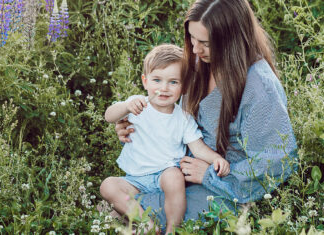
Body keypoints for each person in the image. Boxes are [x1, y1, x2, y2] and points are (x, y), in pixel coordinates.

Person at [115, 0, 298, 231]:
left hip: (225, 186)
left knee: (128, 210)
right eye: (192, 39)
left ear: (232, 41)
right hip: (174, 170)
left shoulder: (259, 86)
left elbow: (276, 160)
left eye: (205, 43)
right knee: (116, 193)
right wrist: (136, 124)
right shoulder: (199, 61)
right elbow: (173, 113)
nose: (194, 50)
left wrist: (209, 175)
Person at [100, 44, 230, 234]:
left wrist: (216, 159)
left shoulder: (183, 118)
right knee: (108, 186)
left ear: (184, 86)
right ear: (145, 81)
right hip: (135, 179)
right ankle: (146, 224)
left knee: (174, 176)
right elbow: (109, 116)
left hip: (164, 176)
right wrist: (126, 106)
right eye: (157, 80)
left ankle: (172, 228)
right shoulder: (138, 105)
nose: (164, 88)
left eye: (173, 82)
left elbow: (198, 148)